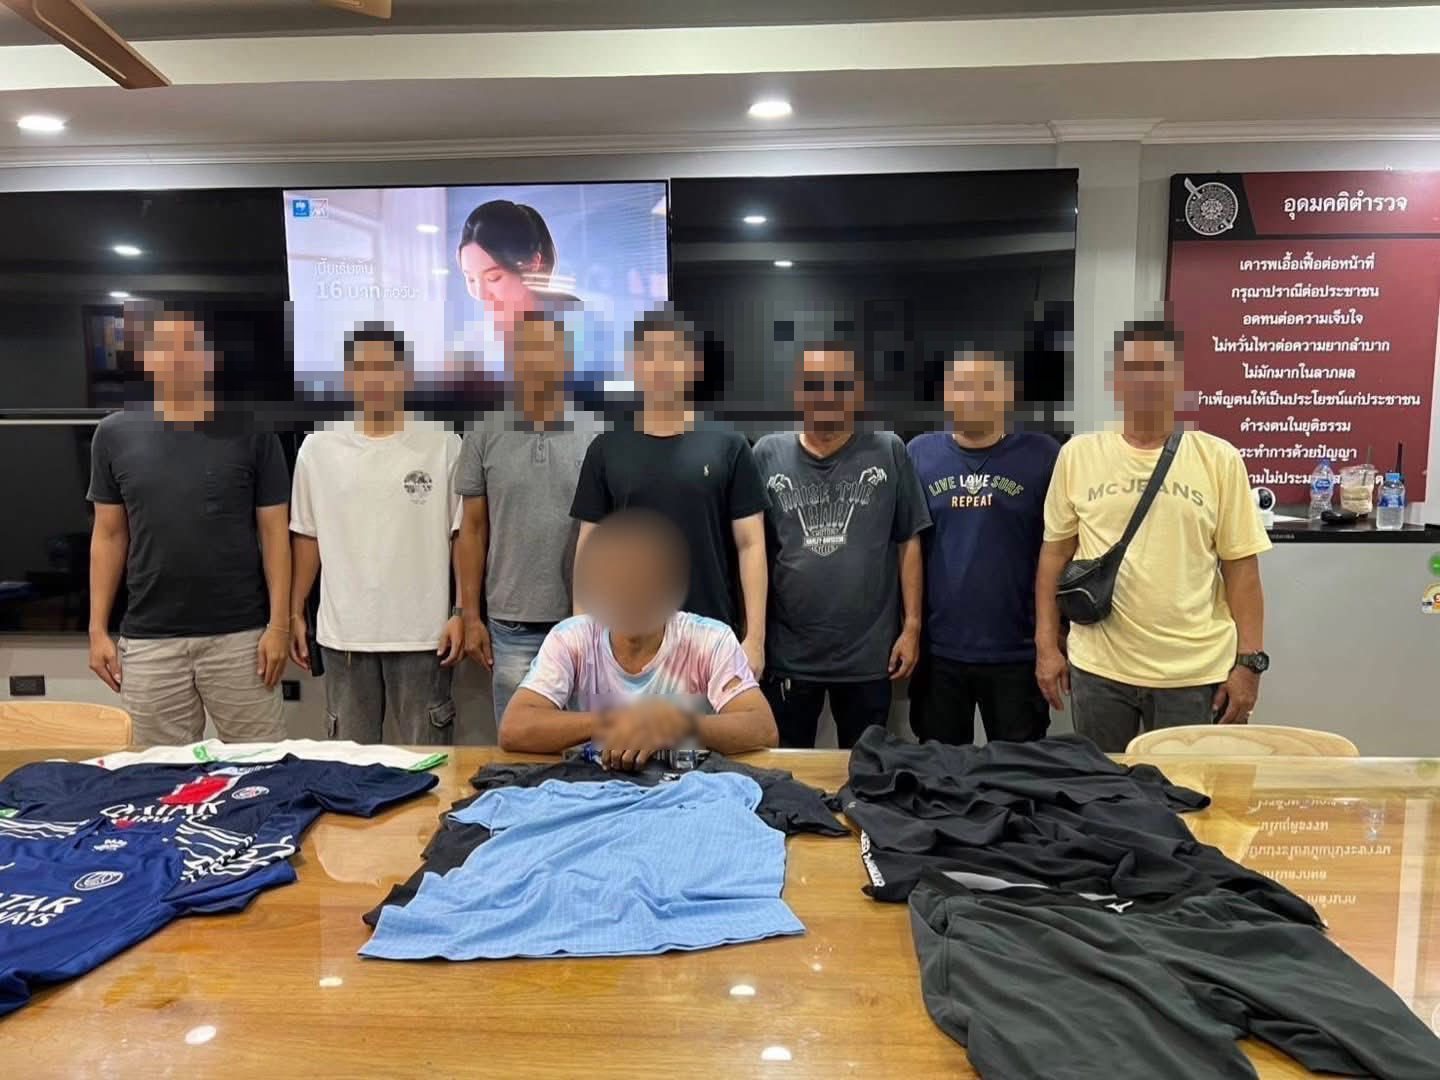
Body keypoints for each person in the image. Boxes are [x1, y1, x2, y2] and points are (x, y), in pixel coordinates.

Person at [1035, 321, 1270, 753]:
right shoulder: (1078, 455)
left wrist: (1249, 665)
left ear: (1179, 378)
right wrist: (1046, 646)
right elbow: (1054, 556)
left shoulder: (1219, 459)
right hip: (1100, 670)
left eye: (1158, 368)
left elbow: (1242, 571)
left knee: (1188, 790)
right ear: (1115, 380)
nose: (1146, 381)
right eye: (1133, 369)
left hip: (1194, 674)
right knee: (1105, 786)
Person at [87, 304, 291, 745]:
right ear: (148, 359)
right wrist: (97, 628)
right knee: (159, 775)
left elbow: (276, 533)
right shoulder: (113, 434)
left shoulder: (254, 432)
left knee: (262, 768)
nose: (178, 357)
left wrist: (279, 625)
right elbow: (109, 534)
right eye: (166, 347)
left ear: (209, 358)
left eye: (190, 346)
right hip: (150, 641)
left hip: (240, 637)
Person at [288, 323, 463, 745]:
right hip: (345, 636)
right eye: (364, 369)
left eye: (387, 368)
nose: (375, 379)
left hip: (424, 636)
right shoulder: (318, 448)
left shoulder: (443, 443)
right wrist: (295, 611)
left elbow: (461, 535)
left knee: (429, 763)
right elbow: (307, 536)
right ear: (348, 376)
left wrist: (461, 611)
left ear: (406, 374)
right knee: (350, 766)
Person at [569, 309, 769, 674]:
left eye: (673, 354)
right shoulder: (606, 449)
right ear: (634, 365)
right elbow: (590, 549)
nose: (661, 366)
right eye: (650, 355)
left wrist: (755, 640)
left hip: (711, 641)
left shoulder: (730, 445)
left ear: (693, 366)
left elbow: (751, 545)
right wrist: (581, 638)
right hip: (627, 642)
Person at [499, 509, 778, 768]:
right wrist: (616, 721)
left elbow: (762, 728)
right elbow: (515, 727)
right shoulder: (571, 639)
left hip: (686, 791)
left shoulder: (710, 640)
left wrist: (671, 725)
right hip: (595, 788)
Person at [752, 342, 930, 748]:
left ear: (858, 392)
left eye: (840, 385)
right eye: (814, 385)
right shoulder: (766, 455)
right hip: (788, 656)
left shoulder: (889, 450)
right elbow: (751, 552)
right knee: (786, 771)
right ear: (797, 391)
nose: (827, 396)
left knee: (866, 769)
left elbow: (908, 542)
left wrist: (912, 627)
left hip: (869, 656)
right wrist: (753, 637)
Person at [907, 350, 1059, 744]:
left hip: (1017, 652)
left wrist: (1053, 640)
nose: (973, 395)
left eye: (986, 386)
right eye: (962, 386)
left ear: (1009, 393)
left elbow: (1061, 551)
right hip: (939, 653)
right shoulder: (918, 454)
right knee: (940, 770)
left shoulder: (1044, 456)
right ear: (945, 395)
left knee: (1019, 770)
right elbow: (906, 549)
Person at [455, 312, 598, 722]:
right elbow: (472, 530)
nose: (537, 360)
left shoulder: (596, 433)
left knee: (583, 745)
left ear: (566, 357)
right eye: (527, 349)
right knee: (519, 743)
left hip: (582, 625)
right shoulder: (483, 432)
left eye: (548, 349)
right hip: (510, 626)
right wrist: (470, 615)